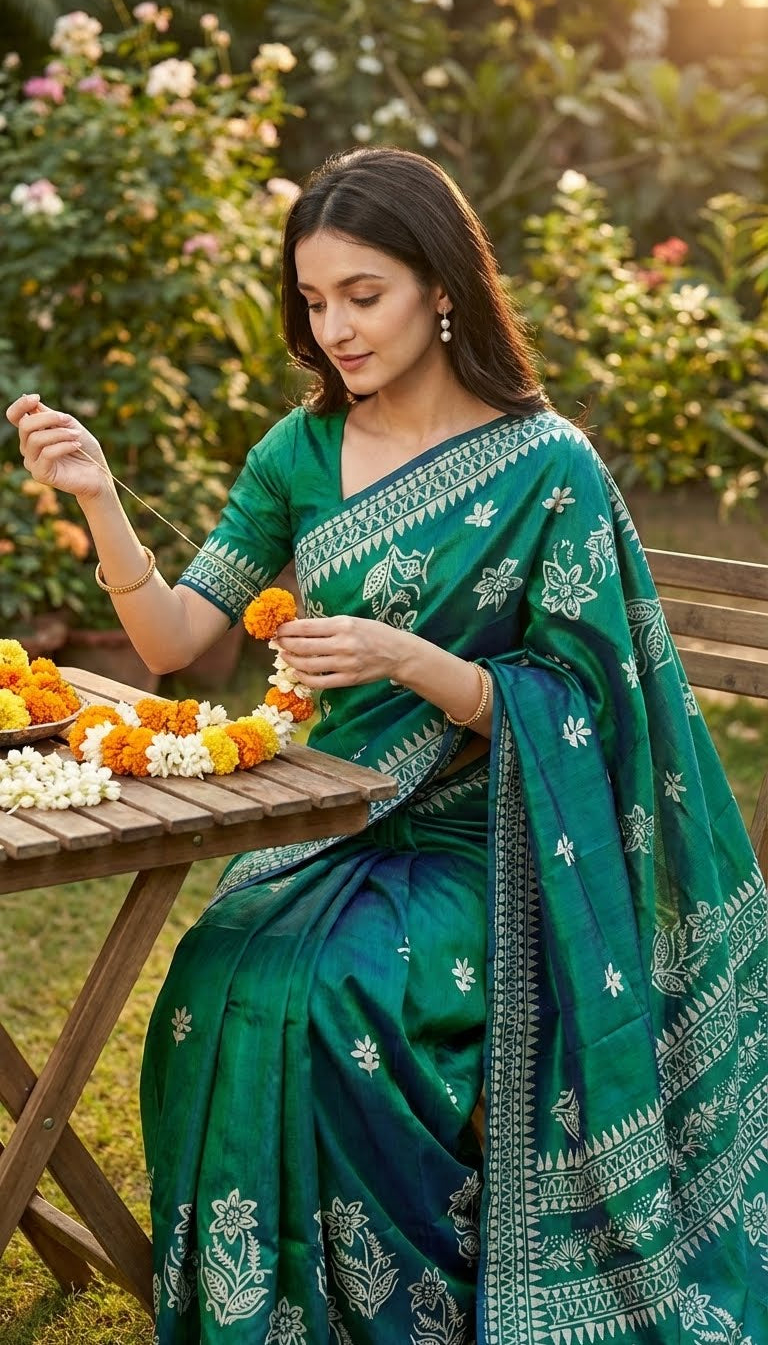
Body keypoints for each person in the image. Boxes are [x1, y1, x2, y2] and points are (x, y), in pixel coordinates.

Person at [7, 146, 766, 1345]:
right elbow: (176, 637)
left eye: (364, 294)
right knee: (220, 975)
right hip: (333, 823)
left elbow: (590, 705)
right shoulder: (299, 454)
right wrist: (100, 498)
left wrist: (408, 660)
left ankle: (405, 1306)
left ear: (443, 285)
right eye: (314, 302)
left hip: (498, 842)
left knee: (335, 990)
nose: (336, 328)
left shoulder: (548, 465)